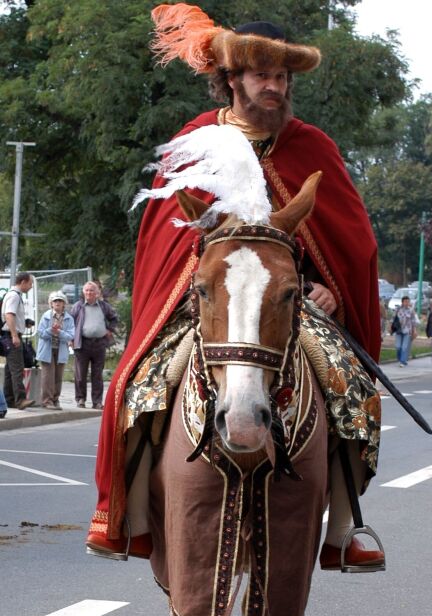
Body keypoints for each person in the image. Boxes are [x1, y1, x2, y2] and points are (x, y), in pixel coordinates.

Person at [87, 5, 383, 572]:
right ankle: (133, 521)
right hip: (207, 304)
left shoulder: (311, 147)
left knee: (351, 389)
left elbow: (351, 244)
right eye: (261, 76)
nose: (274, 87)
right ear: (231, 80)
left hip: (290, 306)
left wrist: (330, 292)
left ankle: (347, 528)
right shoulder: (198, 139)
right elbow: (166, 240)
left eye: (282, 78)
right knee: (140, 386)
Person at [71, 281, 118, 410]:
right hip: (82, 344)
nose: (89, 293)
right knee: (80, 374)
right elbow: (70, 322)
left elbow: (114, 318)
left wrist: (110, 329)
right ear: (83, 292)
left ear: (97, 293)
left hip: (99, 344)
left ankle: (97, 402)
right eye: (86, 290)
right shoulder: (78, 306)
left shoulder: (104, 306)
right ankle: (80, 399)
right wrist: (71, 339)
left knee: (97, 375)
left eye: (92, 290)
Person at [1, 271, 36, 410]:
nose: (31, 286)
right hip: (11, 337)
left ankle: (9, 399)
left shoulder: (14, 295)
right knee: (17, 369)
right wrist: (15, 335)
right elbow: (9, 315)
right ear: (23, 282)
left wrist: (24, 323)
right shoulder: (14, 296)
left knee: (10, 370)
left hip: (9, 335)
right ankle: (20, 399)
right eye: (30, 283)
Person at [36, 291, 75, 409]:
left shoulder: (69, 318)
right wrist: (51, 330)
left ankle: (55, 399)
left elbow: (71, 336)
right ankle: (47, 401)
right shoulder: (46, 315)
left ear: (64, 304)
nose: (57, 303)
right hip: (47, 350)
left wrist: (59, 332)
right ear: (51, 303)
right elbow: (41, 333)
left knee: (58, 376)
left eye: (60, 301)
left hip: (61, 350)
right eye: (55, 301)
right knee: (48, 376)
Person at [393, 295, 418, 367]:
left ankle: (402, 361)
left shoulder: (411, 310)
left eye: (408, 301)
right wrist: (390, 328)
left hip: (407, 331)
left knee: (404, 347)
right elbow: (393, 319)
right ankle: (399, 358)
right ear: (402, 302)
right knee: (398, 346)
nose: (407, 303)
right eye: (405, 301)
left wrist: (414, 331)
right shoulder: (398, 309)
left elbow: (413, 321)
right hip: (398, 330)